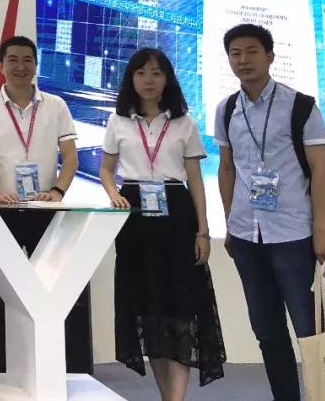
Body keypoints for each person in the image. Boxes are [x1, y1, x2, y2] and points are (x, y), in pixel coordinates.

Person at [215, 23, 325, 401]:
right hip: (246, 236)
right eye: (235, 53)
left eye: (252, 51)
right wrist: (230, 224)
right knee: (267, 331)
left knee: (310, 330)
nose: (243, 60)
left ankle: (324, 396)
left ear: (269, 56)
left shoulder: (300, 106)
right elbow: (227, 168)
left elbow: (320, 169)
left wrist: (321, 230)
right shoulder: (227, 109)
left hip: (293, 234)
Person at [100, 48, 225, 398]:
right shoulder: (118, 121)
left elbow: (195, 180)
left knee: (180, 308)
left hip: (177, 216)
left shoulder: (184, 123)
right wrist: (113, 193)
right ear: (131, 78)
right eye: (141, 73)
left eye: (156, 73)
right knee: (148, 310)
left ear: (167, 78)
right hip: (136, 217)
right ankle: (167, 395)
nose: (149, 80)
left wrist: (203, 230)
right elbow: (106, 170)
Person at [0, 35, 78, 373]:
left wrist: (57, 191)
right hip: (2, 211)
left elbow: (70, 157)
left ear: (35, 64)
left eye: (27, 59)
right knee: (2, 293)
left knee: (48, 290)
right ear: (0, 66)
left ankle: (45, 369)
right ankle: (4, 370)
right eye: (13, 59)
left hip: (45, 211)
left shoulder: (56, 105)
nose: (20, 66)